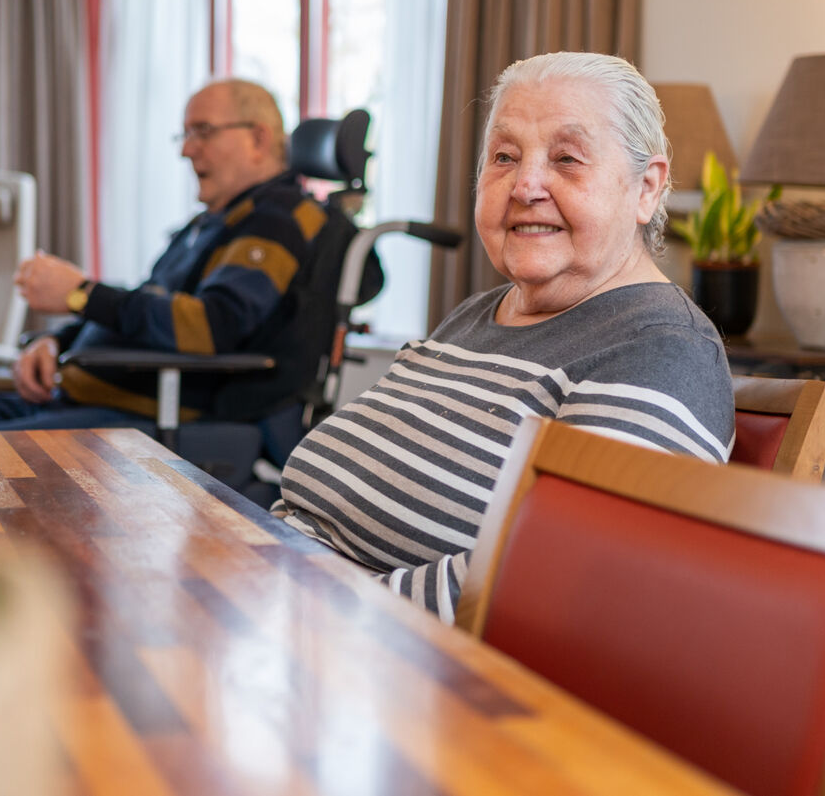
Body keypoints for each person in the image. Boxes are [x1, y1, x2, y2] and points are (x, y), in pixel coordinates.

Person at [274, 52, 735, 621]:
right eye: (504, 157)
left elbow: (553, 580)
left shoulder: (661, 350)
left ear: (646, 188)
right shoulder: (476, 316)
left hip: (391, 667)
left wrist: (304, 614)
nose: (525, 186)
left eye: (566, 159)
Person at [0, 78, 332, 433]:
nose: (187, 150)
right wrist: (53, 340)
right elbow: (149, 307)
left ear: (258, 138)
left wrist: (82, 294)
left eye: (203, 131)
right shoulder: (211, 225)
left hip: (163, 413)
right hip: (92, 394)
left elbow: (210, 326)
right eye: (185, 134)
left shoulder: (276, 223)